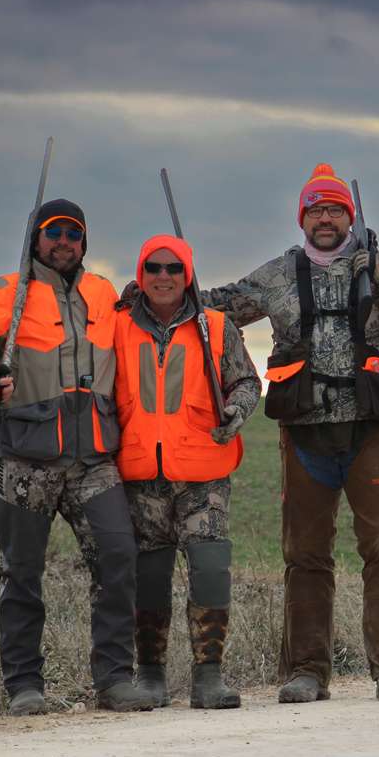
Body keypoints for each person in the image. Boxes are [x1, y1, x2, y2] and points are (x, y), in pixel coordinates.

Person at [200, 163, 379, 703]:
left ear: (349, 217)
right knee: (305, 555)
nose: (325, 218)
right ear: (303, 218)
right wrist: (154, 290)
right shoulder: (278, 274)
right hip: (304, 434)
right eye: (316, 209)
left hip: (372, 432)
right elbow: (218, 307)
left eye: (334, 209)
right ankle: (305, 671)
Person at [0, 199, 147, 715]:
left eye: (74, 234)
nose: (64, 241)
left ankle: (114, 679)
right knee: (22, 572)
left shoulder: (103, 293)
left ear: (84, 243)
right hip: (23, 458)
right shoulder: (4, 293)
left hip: (93, 460)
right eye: (53, 232)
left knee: (119, 558)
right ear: (35, 238)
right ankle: (24, 686)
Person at [113, 234, 261, 710]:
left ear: (188, 275)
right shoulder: (118, 327)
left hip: (204, 470)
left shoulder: (214, 326)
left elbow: (246, 381)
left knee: (211, 569)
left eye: (174, 268)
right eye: (153, 267)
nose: (163, 276)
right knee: (149, 575)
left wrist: (235, 410)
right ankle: (151, 674)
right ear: (141, 273)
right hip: (141, 471)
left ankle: (208, 676)